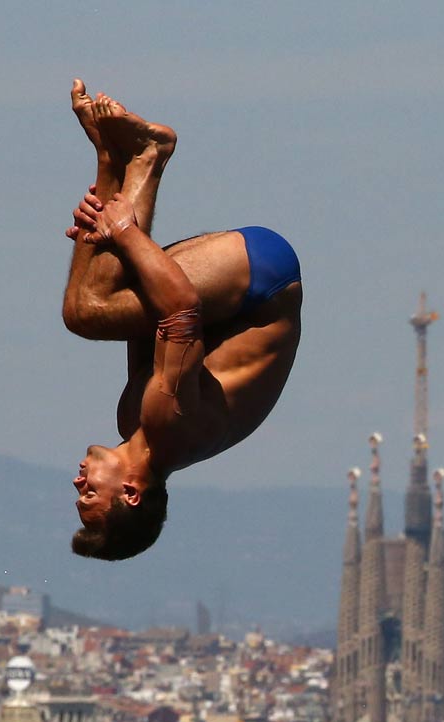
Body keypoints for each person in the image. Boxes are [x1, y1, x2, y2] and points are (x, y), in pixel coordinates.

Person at [60, 80, 302, 561]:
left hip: (237, 288)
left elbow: (142, 320)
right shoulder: (169, 427)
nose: (77, 480)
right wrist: (124, 231)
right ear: (130, 492)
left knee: (97, 298)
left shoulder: (134, 421)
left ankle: (115, 160)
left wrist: (106, 228)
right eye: (89, 495)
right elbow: (180, 310)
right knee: (86, 311)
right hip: (261, 282)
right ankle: (149, 154)